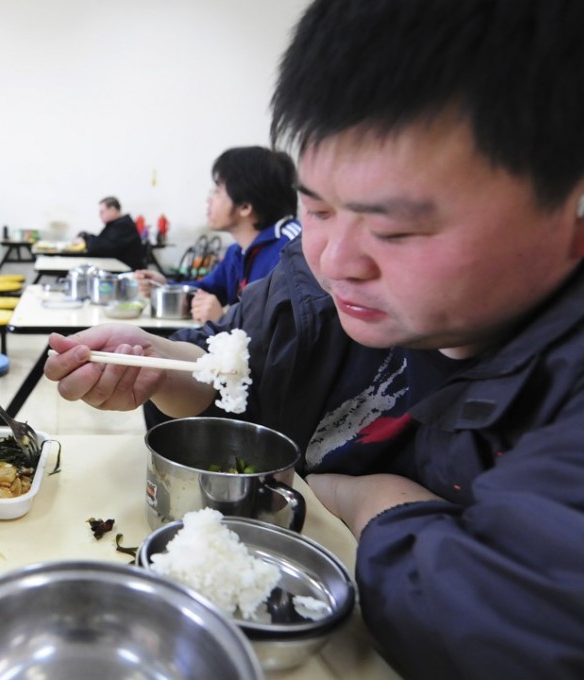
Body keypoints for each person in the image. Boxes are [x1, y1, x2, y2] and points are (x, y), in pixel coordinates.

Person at [44, 0, 584, 677]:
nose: (336, 260)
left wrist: (367, 497)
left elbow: (512, 625)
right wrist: (170, 366)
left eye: (395, 231)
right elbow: (236, 359)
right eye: (316, 208)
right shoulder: (308, 286)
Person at [134, 146, 300, 324]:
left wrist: (224, 319)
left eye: (217, 191)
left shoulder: (291, 250)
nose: (209, 199)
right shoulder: (237, 251)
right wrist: (165, 286)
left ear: (245, 206)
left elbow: (284, 331)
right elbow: (207, 290)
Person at [74, 196, 147, 270]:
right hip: (117, 268)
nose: (100, 215)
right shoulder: (115, 224)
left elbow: (104, 248)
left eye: (102, 212)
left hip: (128, 272)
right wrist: (86, 237)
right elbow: (102, 241)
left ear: (112, 210)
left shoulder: (123, 226)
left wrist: (86, 242)